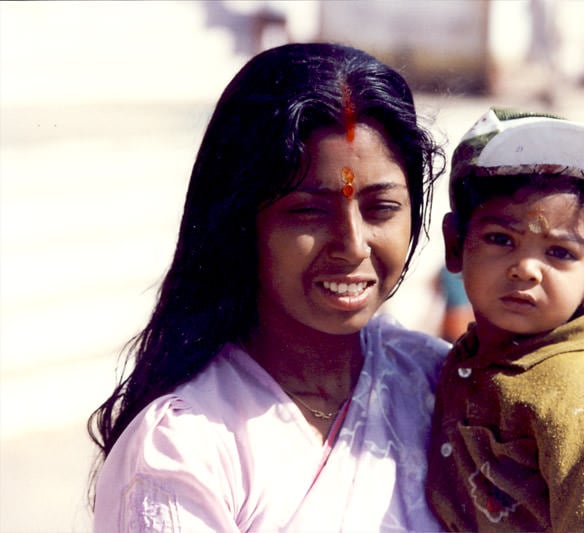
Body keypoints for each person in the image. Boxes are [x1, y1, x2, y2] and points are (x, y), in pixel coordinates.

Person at [87, 42, 450, 531]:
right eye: (307, 211)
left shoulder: (443, 385)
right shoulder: (186, 444)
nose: (352, 245)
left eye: (381, 208)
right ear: (241, 223)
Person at [425, 108, 584, 531]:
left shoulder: (579, 401)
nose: (527, 269)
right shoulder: (470, 357)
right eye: (501, 240)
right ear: (455, 246)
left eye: (559, 253)